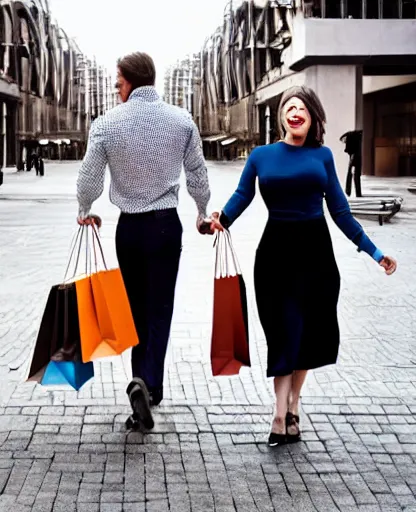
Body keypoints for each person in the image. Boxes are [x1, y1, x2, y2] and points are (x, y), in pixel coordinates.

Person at [208, 86, 397, 447]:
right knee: (283, 333)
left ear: (312, 118)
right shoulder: (261, 156)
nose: (294, 113)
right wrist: (222, 218)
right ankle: (279, 414)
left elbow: (340, 212)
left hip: (316, 256)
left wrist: (374, 252)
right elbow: (242, 196)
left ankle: (294, 404)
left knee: (307, 335)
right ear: (282, 116)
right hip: (275, 255)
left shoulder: (323, 157)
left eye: (302, 109)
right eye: (289, 107)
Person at [76, 52, 211, 430]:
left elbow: (90, 176)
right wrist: (202, 211)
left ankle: (142, 385)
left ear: (131, 81)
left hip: (130, 230)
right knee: (159, 309)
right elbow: (196, 173)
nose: (116, 88)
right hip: (167, 226)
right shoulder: (181, 120)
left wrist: (85, 207)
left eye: (118, 81)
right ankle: (149, 385)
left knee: (134, 308)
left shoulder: (106, 123)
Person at [341, 130, 363, 197]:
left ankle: (349, 191)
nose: (344, 143)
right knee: (356, 175)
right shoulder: (357, 136)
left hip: (354, 155)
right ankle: (357, 193)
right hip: (356, 155)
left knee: (352, 174)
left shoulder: (351, 136)